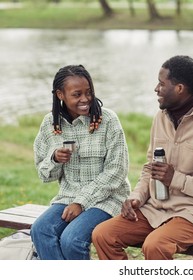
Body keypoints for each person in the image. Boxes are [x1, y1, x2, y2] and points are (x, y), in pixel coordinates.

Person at [92, 55, 193, 260]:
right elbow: (150, 169)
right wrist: (137, 197)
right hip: (156, 208)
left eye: (161, 84)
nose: (156, 88)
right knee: (103, 235)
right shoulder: (160, 118)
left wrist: (176, 179)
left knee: (155, 245)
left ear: (179, 88)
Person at [31, 65, 131, 259]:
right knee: (40, 230)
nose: (85, 99)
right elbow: (44, 175)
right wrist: (54, 159)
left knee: (72, 239)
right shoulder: (50, 124)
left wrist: (81, 202)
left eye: (88, 92)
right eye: (77, 94)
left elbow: (117, 171)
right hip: (67, 198)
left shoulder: (108, 120)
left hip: (107, 199)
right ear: (60, 94)